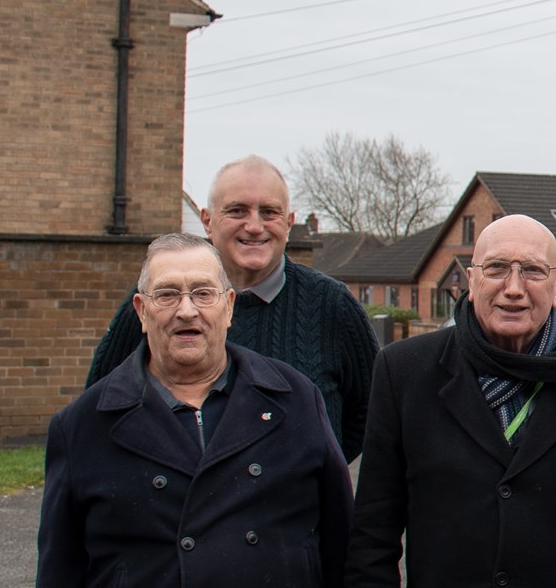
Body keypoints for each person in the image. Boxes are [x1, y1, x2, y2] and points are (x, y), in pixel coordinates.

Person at [347, 215, 556, 587]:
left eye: (533, 271)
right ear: (471, 281)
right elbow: (373, 535)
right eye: (497, 268)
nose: (514, 287)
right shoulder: (404, 371)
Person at [38, 233, 352, 587]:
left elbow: (343, 542)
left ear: (229, 306)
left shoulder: (295, 399)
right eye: (168, 294)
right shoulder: (82, 425)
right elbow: (59, 570)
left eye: (203, 293)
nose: (186, 310)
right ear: (142, 311)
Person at [87, 156, 376, 460]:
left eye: (269, 212)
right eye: (237, 211)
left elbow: (371, 414)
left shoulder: (333, 304)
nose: (254, 226)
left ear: (289, 223)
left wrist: (308, 474)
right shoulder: (159, 299)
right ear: (207, 220)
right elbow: (100, 405)